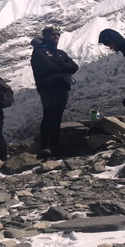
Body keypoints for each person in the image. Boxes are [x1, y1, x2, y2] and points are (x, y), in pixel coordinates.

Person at [30, 26, 79, 159]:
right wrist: (63, 67)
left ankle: (55, 145)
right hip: (48, 87)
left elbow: (74, 67)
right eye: (53, 35)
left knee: (57, 116)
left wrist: (60, 66)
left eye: (57, 35)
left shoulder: (60, 53)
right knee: (49, 114)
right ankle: (45, 146)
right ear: (45, 36)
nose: (56, 37)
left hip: (62, 86)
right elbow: (47, 66)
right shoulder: (39, 52)